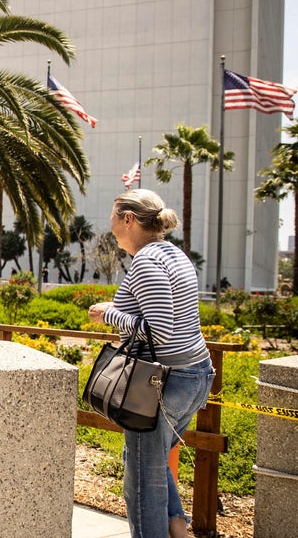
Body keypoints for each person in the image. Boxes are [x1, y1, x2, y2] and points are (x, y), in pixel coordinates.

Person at [88, 189, 214, 538]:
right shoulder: (174, 254)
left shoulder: (146, 262)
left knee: (143, 482)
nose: (110, 225)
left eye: (114, 216)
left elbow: (159, 331)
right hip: (194, 376)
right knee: (151, 462)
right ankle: (177, 530)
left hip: (163, 383)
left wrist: (109, 314)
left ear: (129, 219)